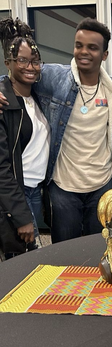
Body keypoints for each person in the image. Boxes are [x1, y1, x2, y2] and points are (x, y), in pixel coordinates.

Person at [1, 17, 112, 243]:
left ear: (105, 55)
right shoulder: (53, 78)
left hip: (102, 184)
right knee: (62, 254)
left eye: (92, 47)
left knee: (96, 250)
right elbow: (19, 72)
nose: (83, 52)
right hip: (63, 188)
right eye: (79, 45)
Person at [0, 18, 50, 258]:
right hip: (16, 198)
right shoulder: (4, 105)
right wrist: (21, 216)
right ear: (7, 62)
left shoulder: (37, 97)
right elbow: (1, 168)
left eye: (34, 61)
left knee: (34, 258)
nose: (30, 67)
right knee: (21, 265)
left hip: (35, 192)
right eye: (22, 60)